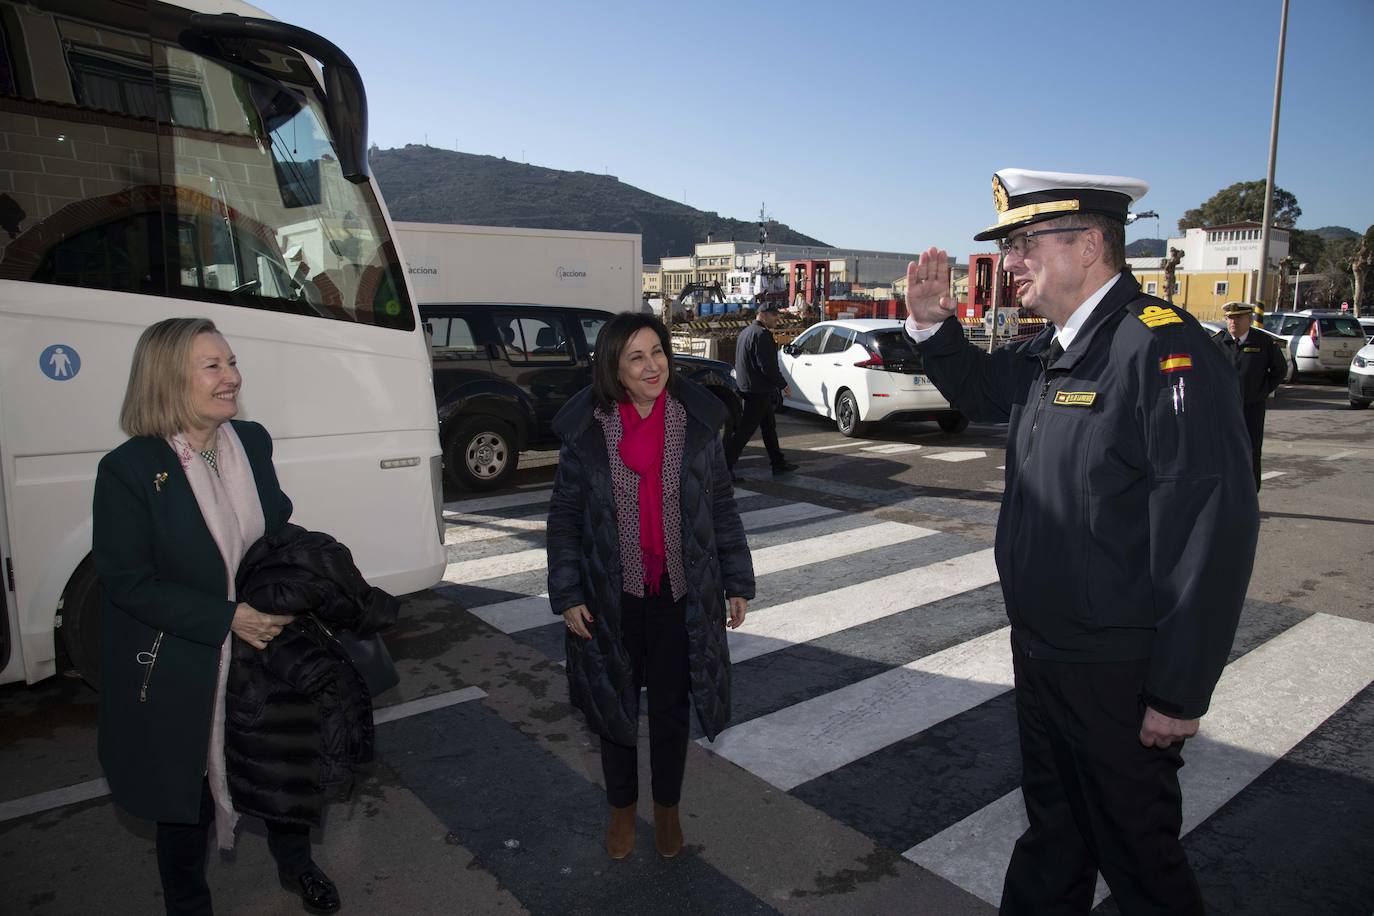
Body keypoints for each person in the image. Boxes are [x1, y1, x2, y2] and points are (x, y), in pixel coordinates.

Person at [902, 169, 1260, 915]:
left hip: (1117, 671)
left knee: (1140, 860)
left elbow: (1208, 526)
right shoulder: (1054, 349)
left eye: (1025, 242)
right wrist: (932, 327)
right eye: (1010, 246)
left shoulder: (1160, 349)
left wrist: (1178, 691)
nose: (1011, 261)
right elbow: (981, 390)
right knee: (1055, 836)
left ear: (1090, 244)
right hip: (1044, 653)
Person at [93, 318, 341, 914]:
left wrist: (304, 583)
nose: (231, 376)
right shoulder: (130, 469)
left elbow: (275, 527)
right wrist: (228, 616)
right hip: (187, 659)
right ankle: (187, 904)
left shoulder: (251, 442)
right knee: (188, 800)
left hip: (266, 649)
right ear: (167, 378)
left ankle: (297, 866)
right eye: (213, 366)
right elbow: (128, 583)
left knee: (282, 767)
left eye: (232, 362)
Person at [546, 312, 755, 860]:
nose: (652, 366)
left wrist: (737, 580)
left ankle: (666, 810)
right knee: (613, 708)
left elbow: (722, 507)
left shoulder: (696, 425)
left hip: (678, 595)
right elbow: (564, 517)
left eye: (658, 351)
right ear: (613, 368)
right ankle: (621, 810)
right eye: (636, 357)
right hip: (609, 597)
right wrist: (568, 593)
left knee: (670, 709)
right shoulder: (589, 431)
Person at [1212, 301, 1287, 490]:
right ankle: (1225, 491)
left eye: (1238, 318)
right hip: (1224, 409)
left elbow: (1279, 370)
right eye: (1230, 318)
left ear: (1249, 319)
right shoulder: (1217, 343)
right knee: (1222, 450)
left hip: (1251, 408)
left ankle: (1251, 491)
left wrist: (1261, 391)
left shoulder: (1263, 342)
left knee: (1251, 450)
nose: (1233, 322)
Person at [725, 303, 798, 479]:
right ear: (763, 314)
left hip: (750, 388)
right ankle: (725, 468)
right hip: (757, 391)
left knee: (769, 428)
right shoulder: (762, 335)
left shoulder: (746, 332)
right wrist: (783, 385)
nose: (777, 319)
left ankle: (778, 463)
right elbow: (768, 367)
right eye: (774, 315)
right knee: (745, 432)